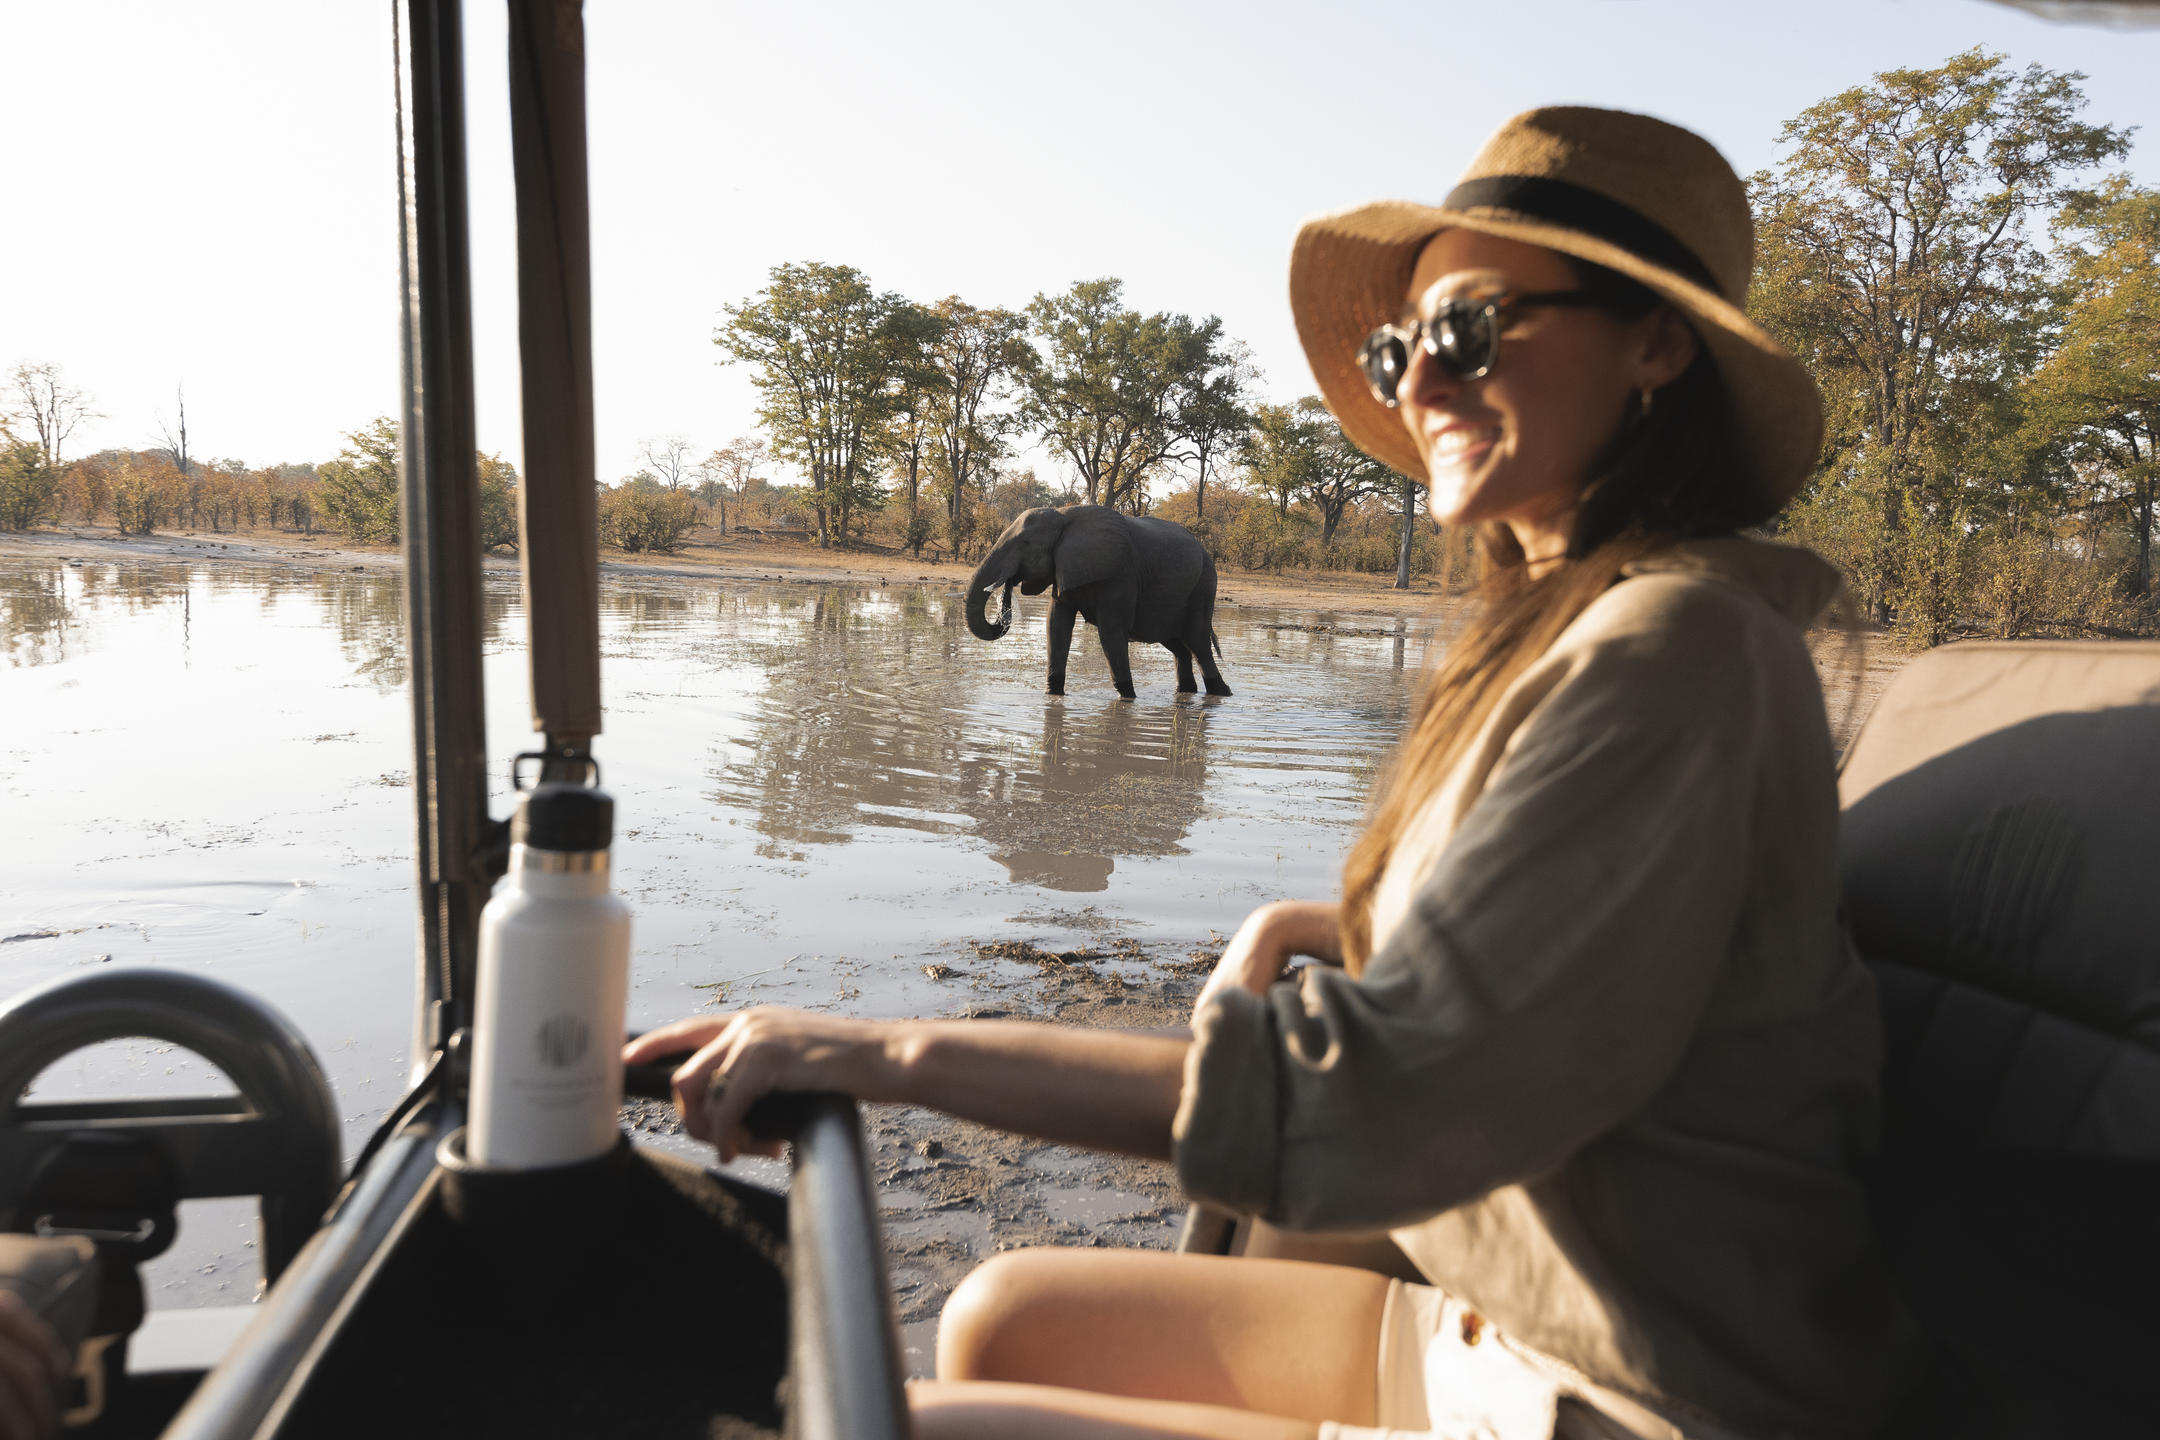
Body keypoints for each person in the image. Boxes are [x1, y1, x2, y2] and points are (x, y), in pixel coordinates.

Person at [627, 106, 1920, 1440]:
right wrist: (1309, 923)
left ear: (1658, 343)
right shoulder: (1579, 629)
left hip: (1639, 1390)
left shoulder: (1675, 650)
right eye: (1398, 345)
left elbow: (1377, 1097)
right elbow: (1543, 951)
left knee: (918, 1428)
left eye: (1469, 331)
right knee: (997, 1316)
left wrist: (880, 1048)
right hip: (1492, 1316)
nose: (1416, 386)